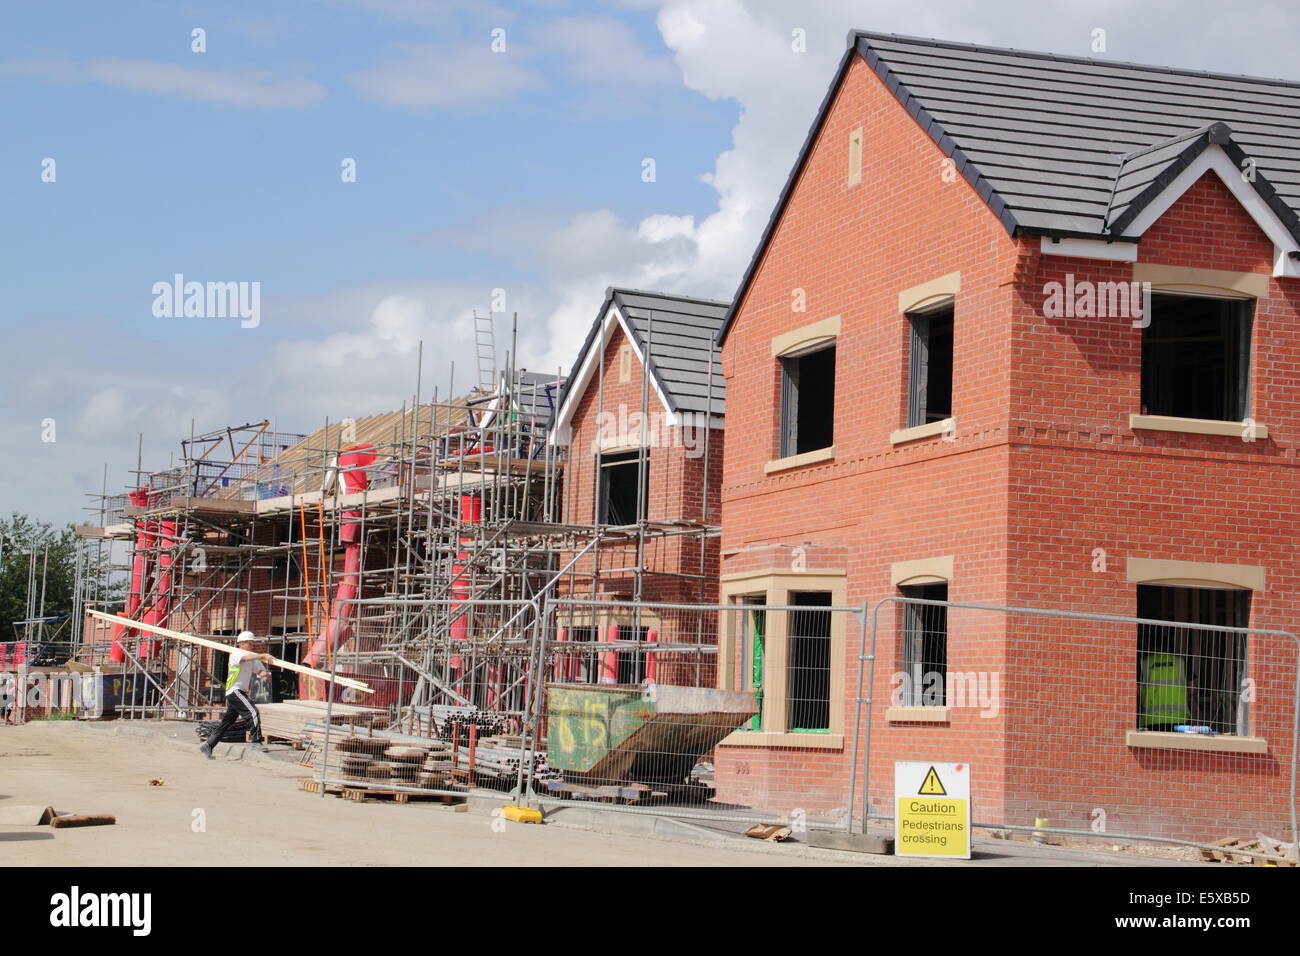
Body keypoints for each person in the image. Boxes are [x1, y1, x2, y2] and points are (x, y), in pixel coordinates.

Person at [200, 632, 272, 758]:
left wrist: (265, 673)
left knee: (227, 722)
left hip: (240, 692)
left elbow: (260, 671)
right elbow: (244, 659)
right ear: (242, 643)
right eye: (250, 644)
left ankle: (208, 745)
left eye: (252, 644)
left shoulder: (252, 657)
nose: (252, 646)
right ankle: (256, 742)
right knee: (253, 712)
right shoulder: (236, 654)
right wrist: (262, 655)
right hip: (234, 691)